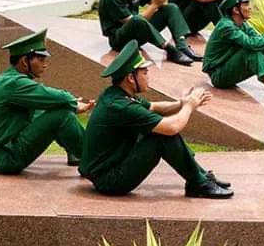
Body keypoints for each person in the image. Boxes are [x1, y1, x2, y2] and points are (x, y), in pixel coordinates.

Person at [80, 41, 231, 198]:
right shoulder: (121, 106)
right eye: (145, 73)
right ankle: (198, 183)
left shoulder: (117, 94)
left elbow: (153, 107)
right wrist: (189, 106)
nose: (148, 77)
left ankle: (200, 177)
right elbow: (172, 127)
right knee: (162, 136)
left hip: (109, 169)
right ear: (131, 77)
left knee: (159, 127)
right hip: (109, 180)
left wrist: (182, 103)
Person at [0, 30, 92, 174]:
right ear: (25, 61)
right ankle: (96, 161)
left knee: (51, 109)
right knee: (63, 116)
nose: (45, 65)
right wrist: (73, 103)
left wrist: (67, 103)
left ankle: (75, 152)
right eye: (41, 60)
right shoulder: (14, 83)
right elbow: (56, 96)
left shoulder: (6, 79)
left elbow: (49, 103)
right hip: (5, 158)